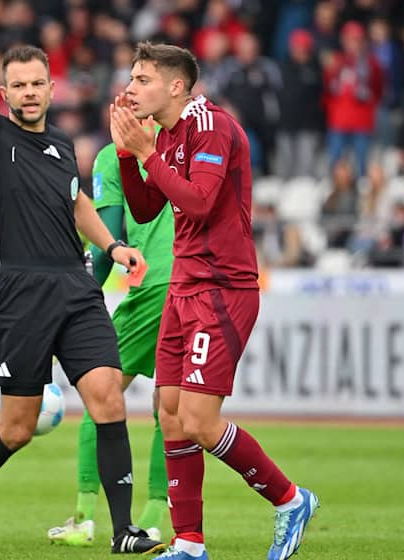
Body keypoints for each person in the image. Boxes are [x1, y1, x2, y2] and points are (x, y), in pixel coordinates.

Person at [0, 1, 164, 554]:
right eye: (18, 84)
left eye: (37, 82)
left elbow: (76, 205)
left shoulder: (64, 145)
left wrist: (113, 246)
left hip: (76, 286)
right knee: (18, 428)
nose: (29, 91)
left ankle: (123, 534)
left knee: (108, 399)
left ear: (50, 86)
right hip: (22, 291)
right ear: (4, 91)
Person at [109, 42, 319, 560]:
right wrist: (125, 151)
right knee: (170, 412)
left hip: (223, 288)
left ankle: (291, 500)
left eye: (141, 79)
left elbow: (200, 204)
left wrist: (145, 154)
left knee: (201, 421)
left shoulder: (211, 127)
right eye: (132, 79)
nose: (130, 88)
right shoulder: (170, 133)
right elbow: (146, 205)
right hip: (184, 285)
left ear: (175, 86)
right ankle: (189, 543)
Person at [47, 135, 174, 546]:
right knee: (169, 408)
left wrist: (73, 306)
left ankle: (85, 520)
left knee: (101, 394)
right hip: (198, 285)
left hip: (154, 286)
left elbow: (107, 243)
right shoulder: (185, 140)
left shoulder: (111, 156)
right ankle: (155, 519)